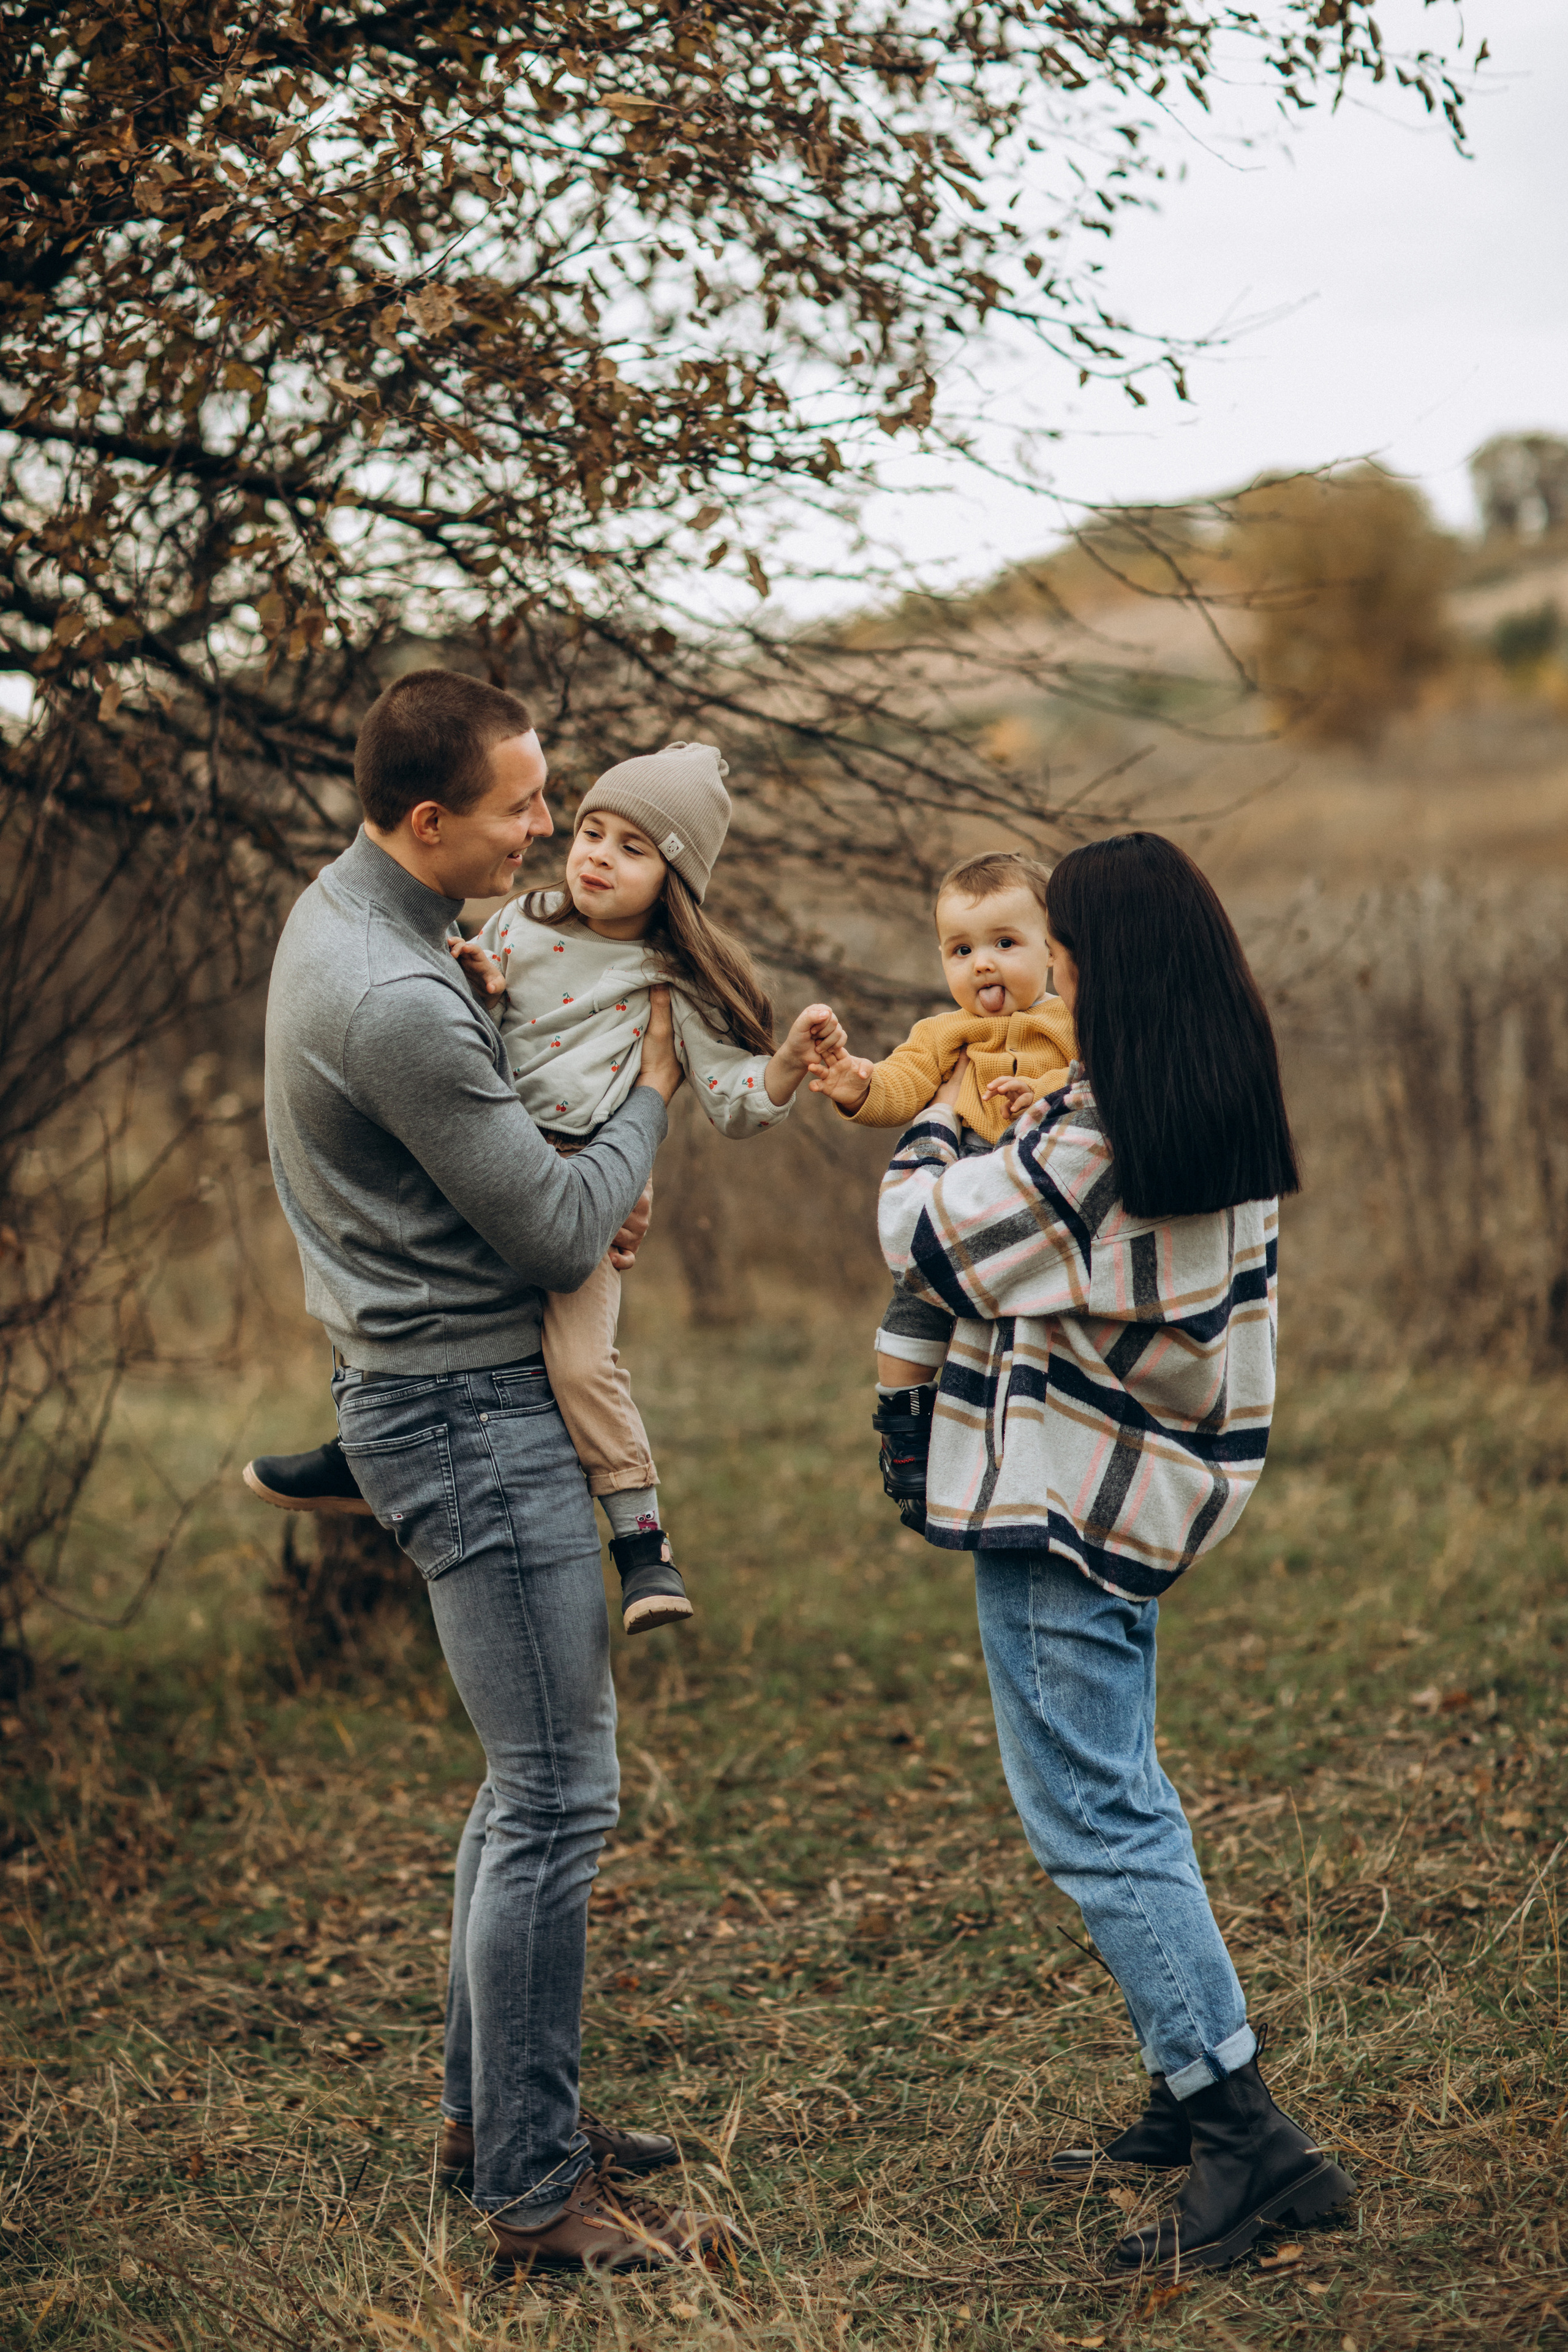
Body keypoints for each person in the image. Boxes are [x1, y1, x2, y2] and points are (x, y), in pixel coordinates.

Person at [262, 666, 735, 2275]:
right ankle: (534, 2195)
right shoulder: (394, 993)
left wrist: (579, 1168)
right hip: (468, 1411)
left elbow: (513, 1163)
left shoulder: (357, 919)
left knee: (520, 1785)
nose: (550, 823)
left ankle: (491, 2113)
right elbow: (545, 1219)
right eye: (526, 805)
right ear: (426, 820)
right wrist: (648, 1115)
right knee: (557, 1796)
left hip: (436, 1385)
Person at [870, 832, 1355, 2277]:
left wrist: (937, 1121)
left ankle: (1241, 2135)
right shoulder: (1213, 1103)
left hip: (1059, 1504)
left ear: (1110, 972)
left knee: (1090, 1814)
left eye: (1061, 958)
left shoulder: (1088, 1143)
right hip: (1146, 1491)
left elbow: (920, 1233)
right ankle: (1179, 2072)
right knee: (1123, 1783)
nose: (1042, 980)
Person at [250, 734, 843, 1635]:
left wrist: (790, 1065)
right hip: (492, 1155)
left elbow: (730, 1100)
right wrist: (479, 983)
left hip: (578, 1184)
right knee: (400, 1254)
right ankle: (369, 1451)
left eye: (633, 848)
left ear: (675, 882)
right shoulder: (523, 918)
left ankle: (642, 1545)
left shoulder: (671, 981)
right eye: (594, 832)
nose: (598, 855)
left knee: (577, 1362)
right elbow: (471, 1024)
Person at [807, 850, 1076, 1529]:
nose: (981, 964)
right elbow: (905, 1086)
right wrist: (859, 1088)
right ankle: (903, 1428)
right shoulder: (940, 1034)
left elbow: (1093, 1089)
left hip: (1037, 1194)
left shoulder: (1070, 1023)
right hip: (960, 1192)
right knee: (911, 1312)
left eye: (1004, 944)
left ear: (1051, 951)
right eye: (960, 950)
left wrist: (1041, 1090)